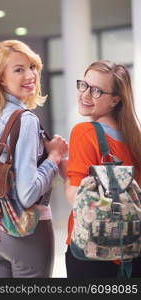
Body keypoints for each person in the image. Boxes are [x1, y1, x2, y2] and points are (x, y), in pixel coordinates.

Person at [0, 39, 68, 278]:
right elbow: (27, 194)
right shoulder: (25, 120)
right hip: (26, 235)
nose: (30, 75)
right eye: (18, 69)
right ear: (1, 78)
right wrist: (54, 157)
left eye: (32, 66)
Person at [64, 60, 141, 278]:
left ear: (115, 100)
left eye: (97, 91)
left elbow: (78, 200)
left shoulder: (85, 132)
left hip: (93, 253)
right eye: (84, 85)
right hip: (132, 252)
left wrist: (63, 173)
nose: (85, 94)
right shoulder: (135, 139)